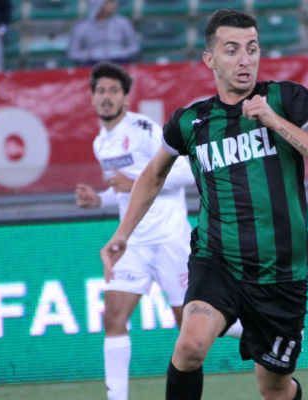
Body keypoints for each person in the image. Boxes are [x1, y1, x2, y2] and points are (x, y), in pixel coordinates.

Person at [99, 9, 308, 400]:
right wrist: (122, 234)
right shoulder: (191, 122)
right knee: (189, 346)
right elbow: (153, 175)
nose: (245, 59)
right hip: (218, 261)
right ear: (210, 59)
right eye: (232, 50)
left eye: (252, 48)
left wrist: (274, 121)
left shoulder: (286, 99)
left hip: (282, 272)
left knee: (274, 389)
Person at [76, 62, 240, 400]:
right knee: (113, 317)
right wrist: (100, 200)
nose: (106, 97)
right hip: (133, 243)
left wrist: (133, 181)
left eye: (113, 91)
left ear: (125, 97)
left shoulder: (142, 129)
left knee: (193, 326)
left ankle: (256, 329)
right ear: (91, 98)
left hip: (169, 241)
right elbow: (126, 192)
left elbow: (186, 171)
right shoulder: (100, 143)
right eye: (101, 91)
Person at [68, 0, 139, 66]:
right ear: (98, 4)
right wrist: (90, 55)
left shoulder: (123, 23)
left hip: (120, 62)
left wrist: (120, 52)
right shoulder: (81, 27)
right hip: (91, 64)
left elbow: (134, 47)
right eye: (109, 2)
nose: (114, 4)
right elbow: (73, 53)